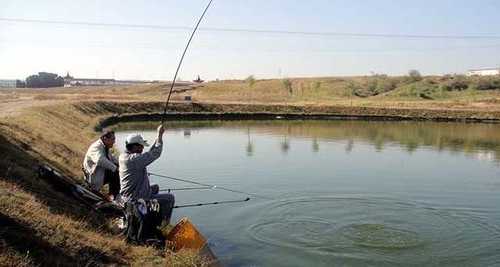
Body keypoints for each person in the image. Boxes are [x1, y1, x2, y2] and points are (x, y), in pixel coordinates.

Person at [119, 124, 175, 224]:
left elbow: (149, 153)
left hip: (129, 195)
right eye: (141, 146)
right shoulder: (134, 159)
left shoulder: (124, 156)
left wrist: (158, 137)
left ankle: (152, 213)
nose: (142, 149)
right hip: (135, 199)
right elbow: (155, 153)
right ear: (135, 146)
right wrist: (160, 135)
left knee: (155, 187)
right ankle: (163, 224)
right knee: (170, 198)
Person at [83, 129, 120, 200]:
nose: (114, 142)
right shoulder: (96, 147)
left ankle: (114, 195)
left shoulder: (104, 147)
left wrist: (123, 166)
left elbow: (112, 159)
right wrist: (115, 168)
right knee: (115, 172)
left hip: (98, 174)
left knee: (117, 169)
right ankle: (113, 197)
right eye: (113, 139)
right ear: (105, 138)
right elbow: (100, 160)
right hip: (92, 178)